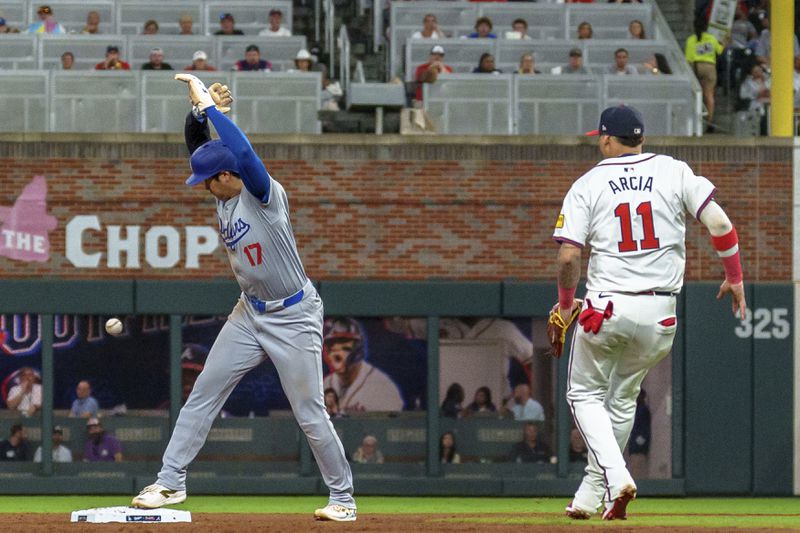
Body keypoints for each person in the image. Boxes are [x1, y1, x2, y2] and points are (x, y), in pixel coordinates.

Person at [131, 74, 356, 522]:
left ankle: (343, 500)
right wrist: (198, 109)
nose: (203, 187)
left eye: (208, 180)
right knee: (203, 393)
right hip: (249, 313)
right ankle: (170, 482)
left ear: (227, 175)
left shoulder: (263, 194)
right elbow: (199, 142)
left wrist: (214, 111)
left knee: (311, 414)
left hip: (294, 314)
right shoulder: (223, 194)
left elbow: (246, 153)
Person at [553, 104, 745, 520]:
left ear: (606, 138)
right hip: (661, 314)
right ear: (640, 138)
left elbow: (569, 257)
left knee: (583, 394)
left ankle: (617, 475)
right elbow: (720, 223)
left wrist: (567, 305)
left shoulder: (589, 183)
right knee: (621, 399)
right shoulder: (674, 171)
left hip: (607, 307)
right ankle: (590, 494)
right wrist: (735, 277)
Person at [322, 318, 404, 413]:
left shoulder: (383, 388)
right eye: (331, 346)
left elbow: (393, 426)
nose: (336, 353)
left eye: (344, 347)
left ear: (358, 350)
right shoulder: (327, 384)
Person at [685, 18, 724, 133]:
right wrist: (725, 41)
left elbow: (688, 58)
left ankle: (696, 120)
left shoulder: (691, 40)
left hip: (696, 67)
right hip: (709, 67)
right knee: (709, 94)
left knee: (697, 94)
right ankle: (710, 121)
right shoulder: (711, 38)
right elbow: (720, 50)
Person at [738, 63, 770, 135]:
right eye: (755, 71)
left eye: (759, 70)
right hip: (756, 105)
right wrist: (756, 95)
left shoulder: (769, 80)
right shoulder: (747, 83)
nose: (758, 72)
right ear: (752, 73)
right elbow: (742, 95)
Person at [627, 389, 651, 479]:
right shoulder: (636, 409)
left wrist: (638, 441)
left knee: (637, 467)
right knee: (634, 467)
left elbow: (643, 428)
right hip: (634, 445)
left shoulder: (642, 410)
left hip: (638, 447)